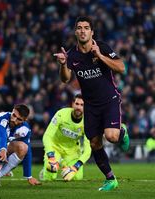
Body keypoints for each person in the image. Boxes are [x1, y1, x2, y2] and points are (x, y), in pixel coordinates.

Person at [54, 16, 129, 191]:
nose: (82, 30)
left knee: (111, 136)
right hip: (90, 105)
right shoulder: (72, 55)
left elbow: (121, 67)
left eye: (86, 27)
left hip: (109, 99)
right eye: (79, 27)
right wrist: (64, 64)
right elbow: (65, 79)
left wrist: (100, 56)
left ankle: (122, 131)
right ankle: (110, 179)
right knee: (95, 143)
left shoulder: (101, 47)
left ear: (91, 32)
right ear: (75, 31)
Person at [40, 94, 91, 181]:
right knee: (49, 178)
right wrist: (51, 156)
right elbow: (47, 136)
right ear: (72, 104)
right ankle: (45, 171)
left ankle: (64, 164)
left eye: (82, 105)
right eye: (77, 104)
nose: (79, 107)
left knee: (77, 177)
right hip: (55, 147)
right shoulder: (61, 114)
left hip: (72, 152)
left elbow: (88, 149)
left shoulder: (88, 122)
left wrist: (76, 167)